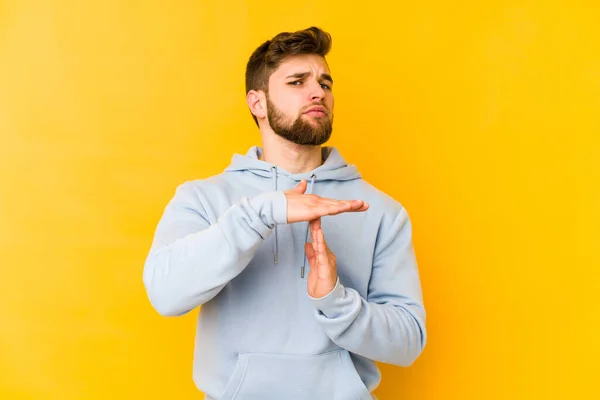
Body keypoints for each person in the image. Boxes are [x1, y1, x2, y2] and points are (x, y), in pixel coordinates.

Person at [143, 26, 427, 400]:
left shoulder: (379, 210)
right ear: (257, 103)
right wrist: (263, 213)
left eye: (325, 83)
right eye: (297, 81)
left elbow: (408, 342)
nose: (318, 93)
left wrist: (336, 301)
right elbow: (165, 294)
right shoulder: (204, 198)